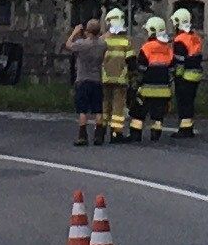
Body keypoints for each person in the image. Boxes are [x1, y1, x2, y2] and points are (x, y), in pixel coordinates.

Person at [134, 11, 177, 136]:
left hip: (147, 89)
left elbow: (141, 68)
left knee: (139, 112)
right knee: (158, 115)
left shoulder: (146, 47)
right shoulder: (168, 49)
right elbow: (172, 68)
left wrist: (137, 83)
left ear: (151, 31)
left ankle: (135, 134)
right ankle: (156, 134)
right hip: (163, 90)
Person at [67, 15, 106, 148]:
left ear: (87, 30)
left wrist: (75, 32)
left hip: (83, 79)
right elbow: (102, 39)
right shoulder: (102, 44)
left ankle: (82, 136)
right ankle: (98, 135)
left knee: (82, 109)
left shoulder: (81, 44)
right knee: (98, 109)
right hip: (97, 80)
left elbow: (68, 45)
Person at [171, 6, 207, 136]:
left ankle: (184, 129)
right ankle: (189, 127)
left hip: (185, 76)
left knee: (183, 102)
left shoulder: (180, 40)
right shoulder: (195, 37)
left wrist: (177, 76)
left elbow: (180, 61)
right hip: (196, 74)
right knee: (190, 102)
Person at [99, 9, 134, 140]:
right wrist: (133, 76)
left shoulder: (103, 40)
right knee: (118, 108)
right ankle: (116, 133)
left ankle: (100, 132)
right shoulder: (126, 41)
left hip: (104, 78)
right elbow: (132, 61)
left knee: (104, 105)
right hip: (120, 79)